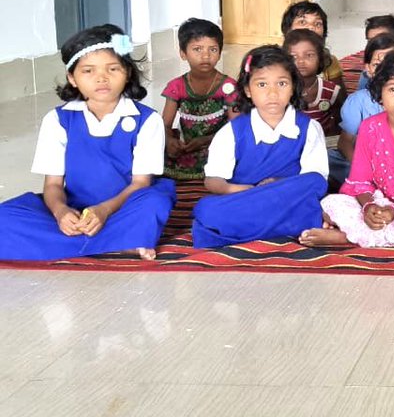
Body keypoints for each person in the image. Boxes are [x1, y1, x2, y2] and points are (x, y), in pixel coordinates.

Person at [0, 25, 175, 261]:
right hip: (74, 208)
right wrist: (61, 212)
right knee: (6, 216)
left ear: (127, 73)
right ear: (72, 78)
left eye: (113, 68)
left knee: (155, 201)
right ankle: (121, 242)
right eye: (88, 71)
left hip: (124, 208)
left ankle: (84, 242)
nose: (101, 78)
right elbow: (53, 185)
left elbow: (141, 183)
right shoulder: (58, 120)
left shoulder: (147, 120)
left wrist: (104, 210)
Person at [301, 52, 394, 248]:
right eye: (393, 89)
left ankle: (346, 238)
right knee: (330, 204)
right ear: (380, 95)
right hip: (379, 200)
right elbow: (359, 181)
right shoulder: (369, 127)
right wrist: (368, 206)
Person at [191, 46, 328, 248]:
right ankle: (292, 225)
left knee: (314, 182)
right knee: (206, 209)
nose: (273, 93)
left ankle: (245, 229)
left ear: (293, 87)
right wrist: (240, 189)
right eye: (262, 84)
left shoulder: (309, 128)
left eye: (282, 83)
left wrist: (277, 184)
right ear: (248, 90)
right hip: (245, 197)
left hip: (288, 198)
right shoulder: (231, 132)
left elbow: (316, 181)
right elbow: (213, 181)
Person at [161, 18, 238, 180]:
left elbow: (236, 127)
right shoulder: (176, 86)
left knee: (235, 156)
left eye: (213, 49)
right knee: (157, 153)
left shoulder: (229, 86)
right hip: (187, 145)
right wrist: (169, 140)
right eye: (197, 49)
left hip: (218, 143)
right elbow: (165, 125)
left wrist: (207, 140)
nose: (206, 56)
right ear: (183, 53)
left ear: (220, 53)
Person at [330, 32, 394, 189]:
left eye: (392, 64)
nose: (385, 71)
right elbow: (345, 143)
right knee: (328, 160)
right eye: (377, 65)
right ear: (368, 69)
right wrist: (365, 169)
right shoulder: (358, 101)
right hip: (363, 161)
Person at [284, 28, 343, 138]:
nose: (301, 61)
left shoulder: (331, 91)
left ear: (320, 58)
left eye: (309, 55)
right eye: (293, 56)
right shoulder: (281, 91)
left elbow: (341, 122)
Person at [281, 0, 343, 86]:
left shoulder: (329, 61)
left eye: (317, 24)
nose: (311, 27)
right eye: (302, 22)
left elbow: (338, 93)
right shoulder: (275, 61)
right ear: (288, 29)